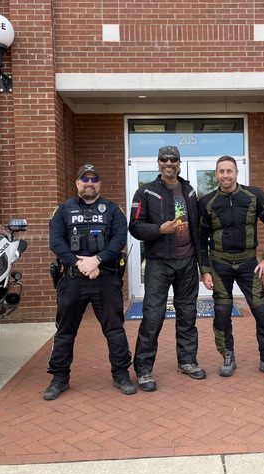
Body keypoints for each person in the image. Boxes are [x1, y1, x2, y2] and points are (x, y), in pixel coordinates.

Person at [44, 164, 137, 400]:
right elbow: (56, 242)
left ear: (99, 184)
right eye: (85, 179)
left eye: (94, 179)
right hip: (73, 279)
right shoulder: (63, 210)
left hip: (105, 278)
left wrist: (97, 260)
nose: (89, 183)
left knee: (115, 329)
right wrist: (80, 265)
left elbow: (119, 239)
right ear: (77, 183)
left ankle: (121, 375)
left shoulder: (113, 210)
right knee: (65, 331)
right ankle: (59, 378)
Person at [199, 155, 264, 379]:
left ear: (237, 173)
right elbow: (200, 238)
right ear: (216, 174)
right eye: (221, 171)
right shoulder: (207, 201)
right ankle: (227, 356)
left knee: (263, 311)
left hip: (249, 264)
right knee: (222, 312)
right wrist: (205, 270)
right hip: (220, 264)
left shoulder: (254, 196)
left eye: (229, 171)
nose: (225, 175)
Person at [128, 146, 206, 392]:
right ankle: (143, 369)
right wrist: (159, 230)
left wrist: (202, 263)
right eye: (164, 159)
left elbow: (198, 227)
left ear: (179, 163)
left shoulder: (189, 191)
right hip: (159, 262)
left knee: (188, 314)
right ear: (158, 162)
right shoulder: (145, 192)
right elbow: (134, 226)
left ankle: (187, 361)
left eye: (173, 159)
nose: (168, 163)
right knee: (153, 317)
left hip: (187, 261)